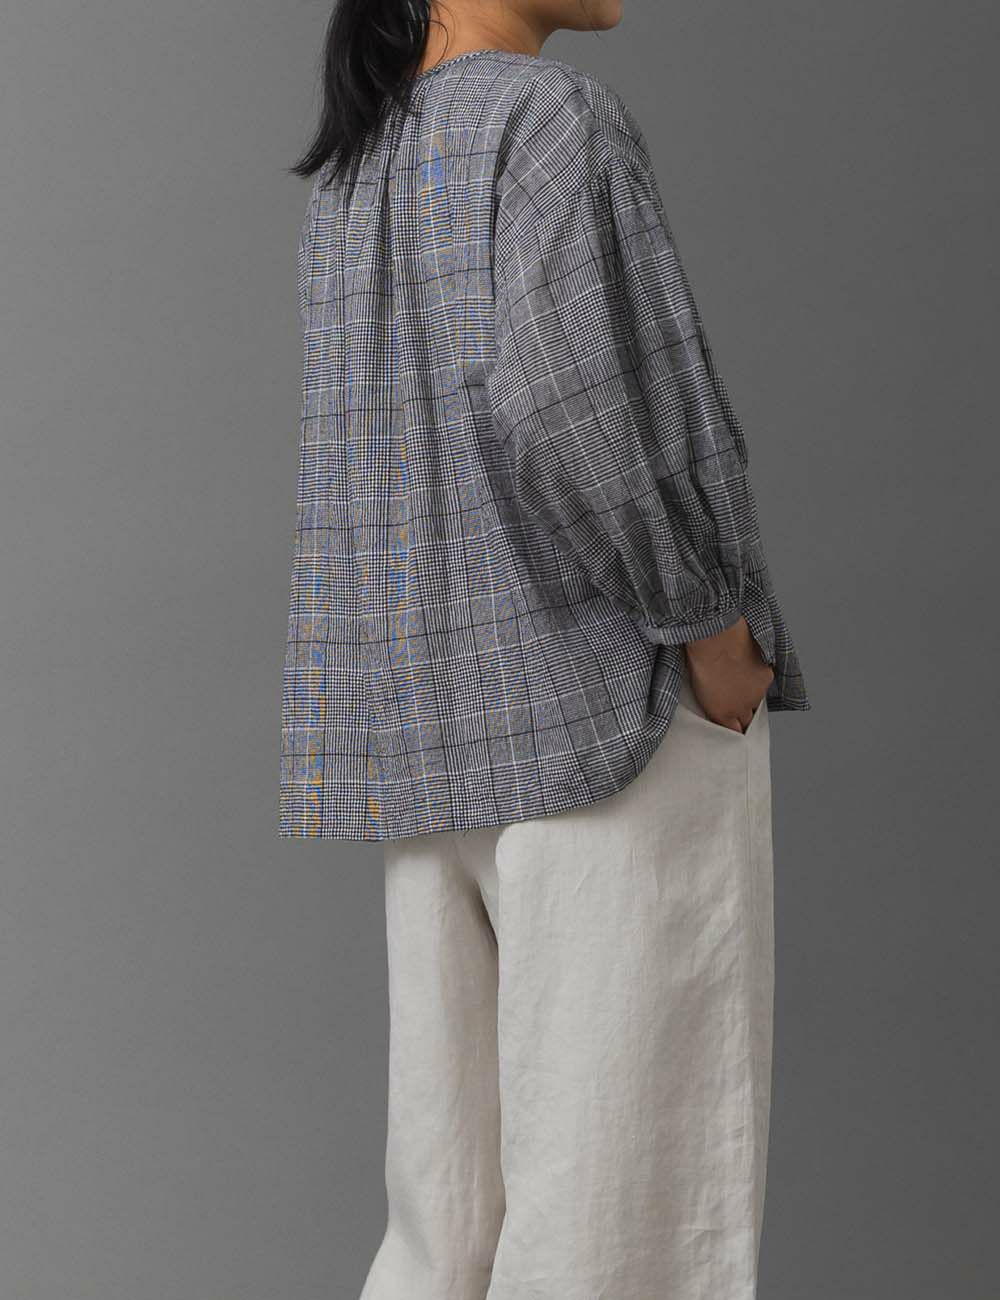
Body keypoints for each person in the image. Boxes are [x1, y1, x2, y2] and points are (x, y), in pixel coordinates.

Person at [280, 1, 810, 1296]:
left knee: (443, 1225)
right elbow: (571, 414)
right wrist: (716, 629)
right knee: (621, 1223)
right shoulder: (549, 119)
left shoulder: (363, 163)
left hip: (433, 752)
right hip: (614, 725)